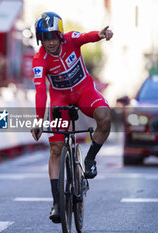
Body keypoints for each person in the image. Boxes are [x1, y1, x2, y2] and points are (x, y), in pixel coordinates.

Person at [30, 12, 113, 223]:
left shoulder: (71, 39)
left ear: (60, 35)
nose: (50, 42)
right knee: (56, 149)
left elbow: (87, 36)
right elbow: (40, 91)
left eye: (53, 37)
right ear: (40, 39)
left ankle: (90, 158)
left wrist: (102, 35)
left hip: (85, 92)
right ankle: (57, 203)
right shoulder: (39, 59)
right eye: (45, 38)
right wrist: (39, 120)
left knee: (105, 117)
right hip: (60, 100)